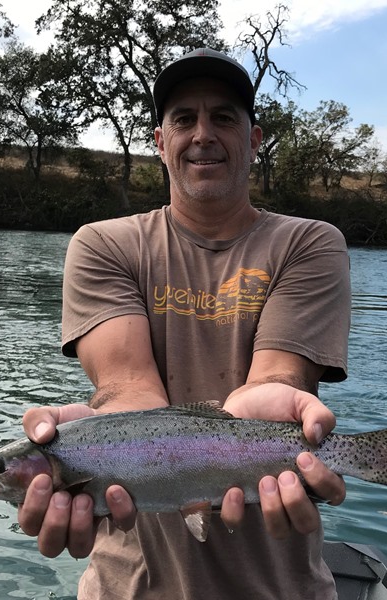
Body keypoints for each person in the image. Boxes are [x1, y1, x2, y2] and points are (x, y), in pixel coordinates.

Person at [18, 48, 351, 600]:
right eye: (183, 119)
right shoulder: (104, 244)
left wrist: (270, 400)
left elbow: (280, 378)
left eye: (223, 117)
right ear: (159, 141)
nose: (203, 133)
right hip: (129, 585)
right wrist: (98, 436)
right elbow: (127, 389)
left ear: (254, 139)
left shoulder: (310, 243)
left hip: (280, 584)